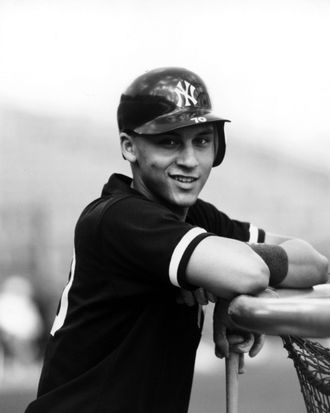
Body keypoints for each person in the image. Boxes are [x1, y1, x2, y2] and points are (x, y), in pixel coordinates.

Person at [25, 67, 328, 413]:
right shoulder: (118, 217)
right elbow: (249, 272)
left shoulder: (197, 217)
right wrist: (229, 276)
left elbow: (314, 263)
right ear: (129, 147)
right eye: (168, 141)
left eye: (201, 141)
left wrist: (227, 279)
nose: (188, 161)